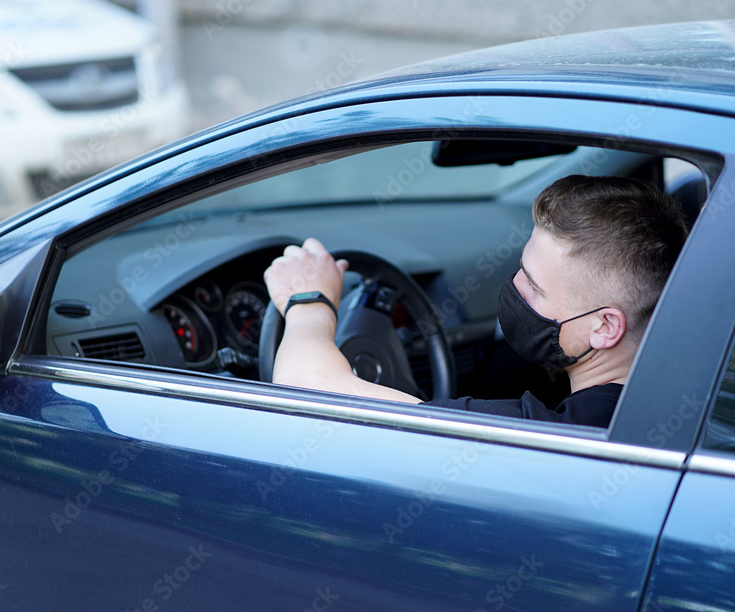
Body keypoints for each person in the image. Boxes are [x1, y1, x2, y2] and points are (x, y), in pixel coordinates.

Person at [262, 175, 689, 428]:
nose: (514, 289)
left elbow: (311, 394)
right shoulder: (686, 389)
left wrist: (308, 302)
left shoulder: (563, 437)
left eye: (535, 288)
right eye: (521, 269)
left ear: (605, 327)